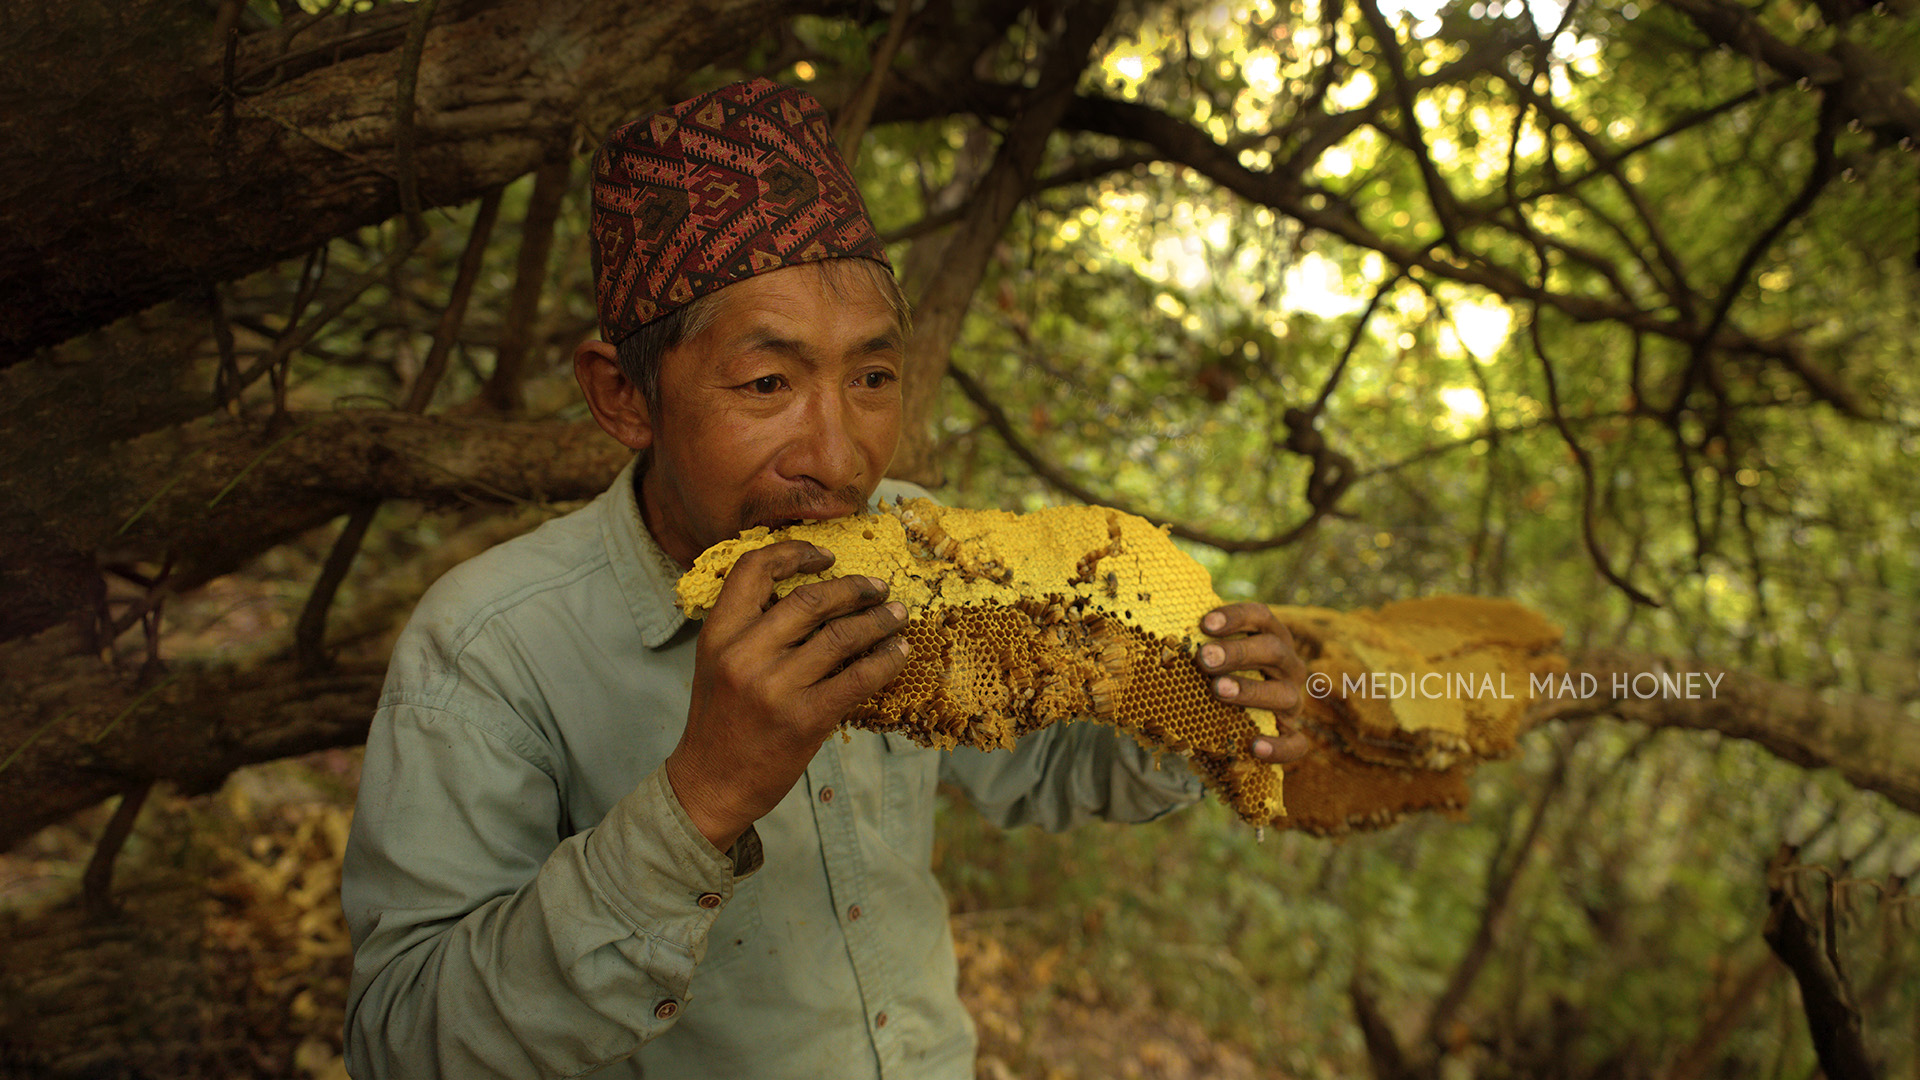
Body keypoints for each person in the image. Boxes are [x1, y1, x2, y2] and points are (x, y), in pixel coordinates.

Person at [341, 78, 1308, 1079]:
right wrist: (701, 798)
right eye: (767, 384)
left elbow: (1044, 770)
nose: (840, 461)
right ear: (624, 396)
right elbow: (402, 1044)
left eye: (873, 379)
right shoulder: (492, 646)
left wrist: (1197, 704)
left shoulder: (924, 548)